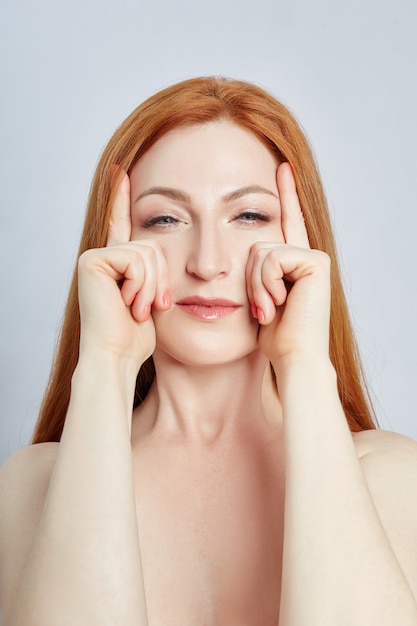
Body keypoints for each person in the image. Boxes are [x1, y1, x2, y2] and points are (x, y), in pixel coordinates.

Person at [1, 76, 416, 626]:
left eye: (248, 216)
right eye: (165, 219)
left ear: (300, 238)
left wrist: (305, 367)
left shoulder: (392, 477)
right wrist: (105, 365)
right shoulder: (35, 485)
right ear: (116, 243)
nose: (207, 261)